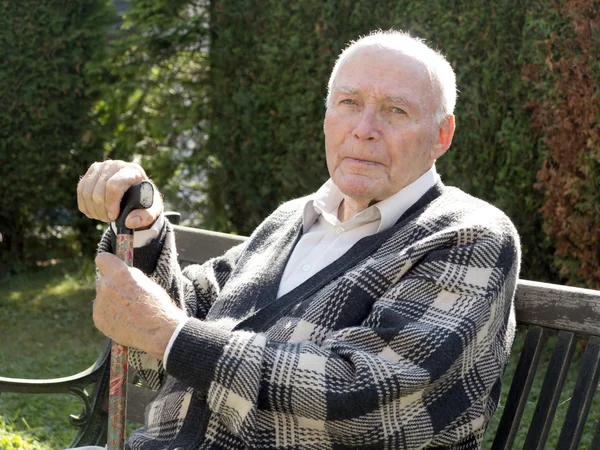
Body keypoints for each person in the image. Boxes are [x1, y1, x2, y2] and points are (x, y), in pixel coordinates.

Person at [76, 29, 520, 450]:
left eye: (395, 111)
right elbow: (173, 330)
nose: (364, 128)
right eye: (349, 103)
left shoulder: (468, 236)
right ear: (327, 117)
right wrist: (144, 227)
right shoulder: (294, 218)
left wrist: (167, 332)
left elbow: (363, 398)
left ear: (441, 135)